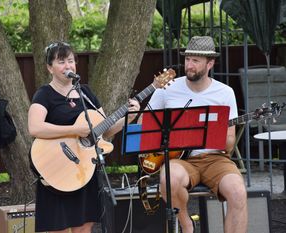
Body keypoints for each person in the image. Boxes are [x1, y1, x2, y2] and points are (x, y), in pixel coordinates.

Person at [27, 41, 139, 233]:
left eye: (70, 61)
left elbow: (104, 130)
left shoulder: (86, 93)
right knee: (59, 228)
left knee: (84, 227)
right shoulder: (44, 94)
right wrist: (74, 130)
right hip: (57, 168)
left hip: (84, 170)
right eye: (61, 62)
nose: (68, 66)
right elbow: (35, 128)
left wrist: (130, 117)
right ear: (49, 68)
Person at [145, 36, 248, 233]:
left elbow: (229, 142)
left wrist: (215, 136)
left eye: (195, 61)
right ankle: (187, 225)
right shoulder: (167, 88)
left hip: (215, 159)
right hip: (178, 158)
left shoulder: (225, 93)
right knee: (169, 180)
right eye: (187, 59)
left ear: (210, 63)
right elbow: (145, 126)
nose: (189, 65)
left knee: (238, 191)